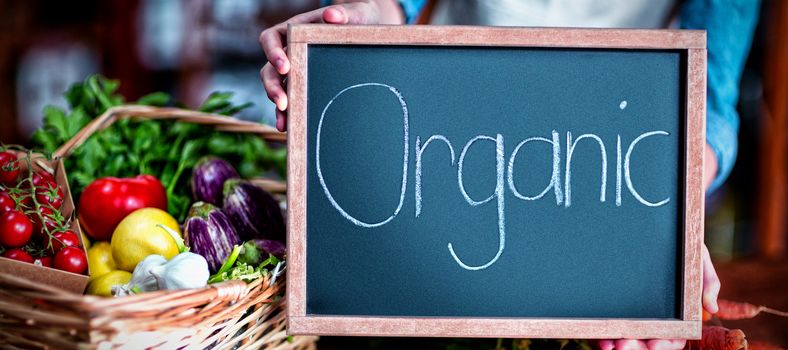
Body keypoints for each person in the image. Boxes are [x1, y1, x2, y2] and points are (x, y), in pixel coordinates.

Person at [259, 1, 759, 348]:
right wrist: (351, 23)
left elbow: (708, 92)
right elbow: (387, 4)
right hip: (438, 132)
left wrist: (673, 209)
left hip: (610, 153)